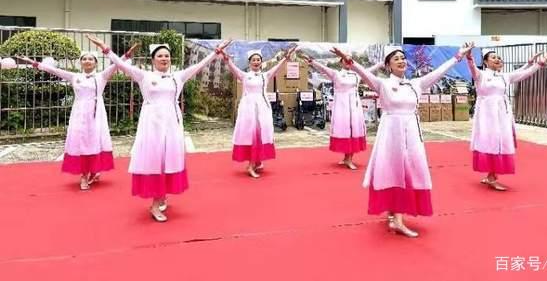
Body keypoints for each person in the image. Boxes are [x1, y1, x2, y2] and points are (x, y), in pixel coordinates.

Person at [331, 43, 474, 238]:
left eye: (403, 57)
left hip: (412, 134)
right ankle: (396, 218)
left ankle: (394, 214)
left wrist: (458, 56)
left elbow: (440, 72)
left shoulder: (416, 83)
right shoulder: (383, 84)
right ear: (388, 65)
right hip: (391, 134)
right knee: (393, 170)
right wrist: (350, 60)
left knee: (410, 170)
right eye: (396, 58)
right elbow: (363, 73)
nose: (401, 60)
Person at [86, 34, 229, 222]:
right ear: (153, 59)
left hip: (171, 122)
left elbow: (198, 66)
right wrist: (105, 48)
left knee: (168, 159)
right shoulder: (144, 75)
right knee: (154, 159)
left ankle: (162, 195)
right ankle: (154, 204)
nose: (164, 59)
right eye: (160, 56)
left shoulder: (177, 77)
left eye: (167, 56)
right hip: (152, 123)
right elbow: (121, 65)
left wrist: (215, 52)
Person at [17, 44, 138, 191]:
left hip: (96, 114)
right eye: (84, 59)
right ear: (80, 62)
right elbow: (55, 70)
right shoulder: (75, 76)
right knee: (81, 142)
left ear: (96, 63)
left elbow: (116, 65)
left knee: (95, 140)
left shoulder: (102, 76)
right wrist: (33, 62)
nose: (87, 61)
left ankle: (93, 170)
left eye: (91, 59)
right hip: (79, 113)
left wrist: (127, 55)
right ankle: (83, 175)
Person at [466, 49, 547, 191]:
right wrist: (469, 56)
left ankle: (491, 175)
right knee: (489, 142)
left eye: (499, 57)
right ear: (485, 62)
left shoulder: (504, 77)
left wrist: (540, 63)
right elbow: (472, 67)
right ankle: (491, 177)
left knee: (499, 142)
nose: (497, 59)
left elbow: (524, 73)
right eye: (493, 57)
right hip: (486, 115)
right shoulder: (481, 75)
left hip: (501, 114)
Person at [220, 46, 296, 178]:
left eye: (258, 60)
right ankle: (250, 165)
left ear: (261, 62)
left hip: (262, 108)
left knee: (263, 133)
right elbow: (233, 68)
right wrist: (227, 60)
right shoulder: (244, 76)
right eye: (253, 60)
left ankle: (258, 161)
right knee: (252, 135)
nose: (256, 62)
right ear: (249, 62)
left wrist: (285, 58)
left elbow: (277, 68)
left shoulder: (264, 76)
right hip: (248, 109)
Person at [299, 52, 382, 169]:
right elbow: (323, 69)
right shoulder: (336, 74)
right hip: (341, 107)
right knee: (344, 131)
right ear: (341, 62)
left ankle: (349, 159)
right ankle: (345, 157)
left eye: (348, 59)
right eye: (344, 59)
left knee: (353, 130)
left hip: (354, 107)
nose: (347, 61)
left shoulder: (356, 75)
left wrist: (380, 64)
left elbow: (368, 71)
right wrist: (312, 62)